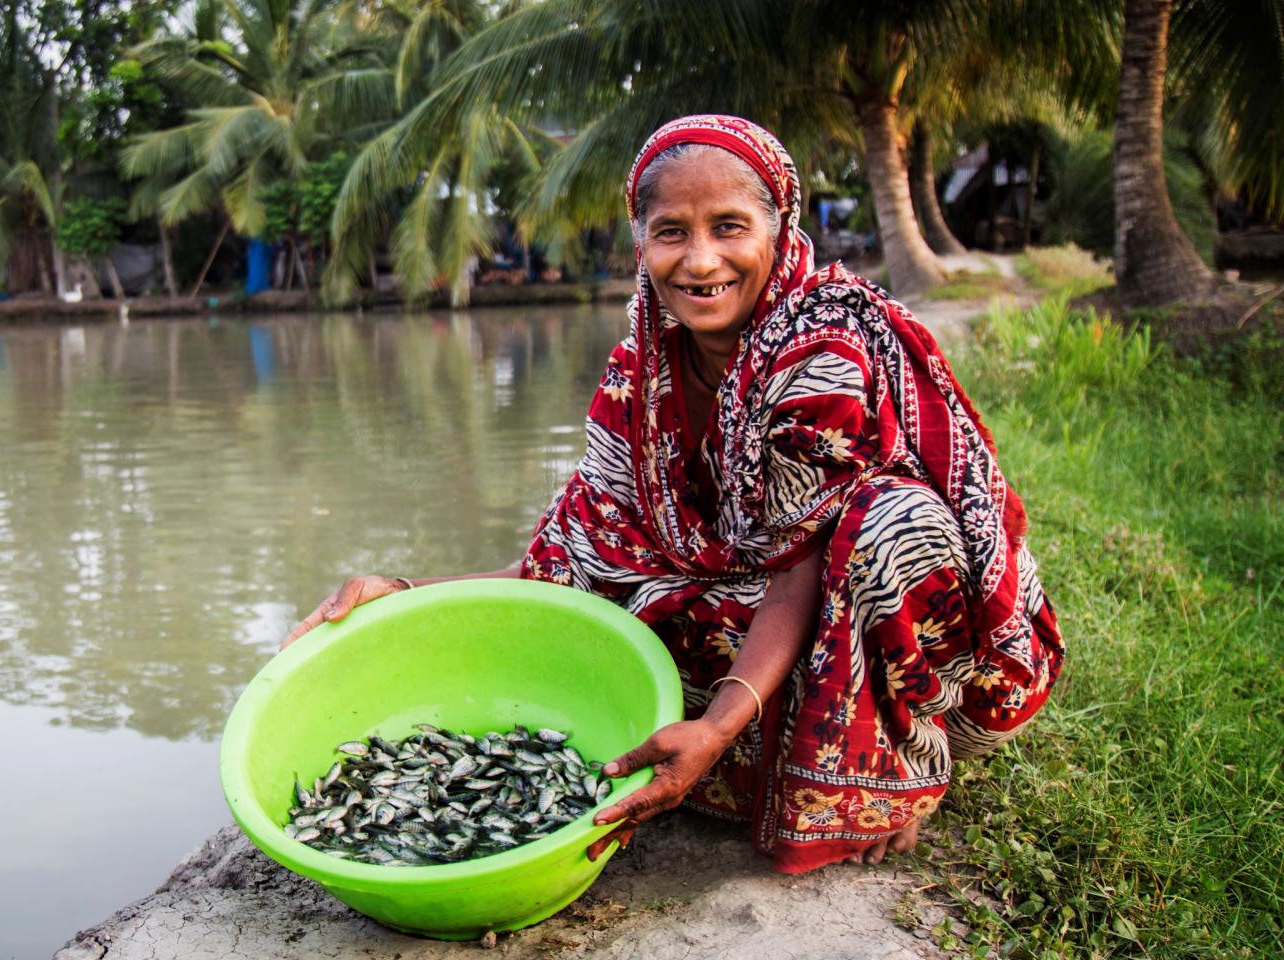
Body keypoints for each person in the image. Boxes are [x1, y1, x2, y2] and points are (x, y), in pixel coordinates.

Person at [279, 115, 1063, 874]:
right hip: (785, 605)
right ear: (641, 243)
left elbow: (799, 566)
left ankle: (907, 764)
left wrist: (718, 725)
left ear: (778, 230)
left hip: (903, 625)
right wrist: (403, 593)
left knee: (888, 523)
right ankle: (745, 750)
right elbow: (573, 562)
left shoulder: (824, 346)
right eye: (671, 232)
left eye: (729, 227)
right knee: (625, 613)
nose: (699, 261)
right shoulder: (641, 369)